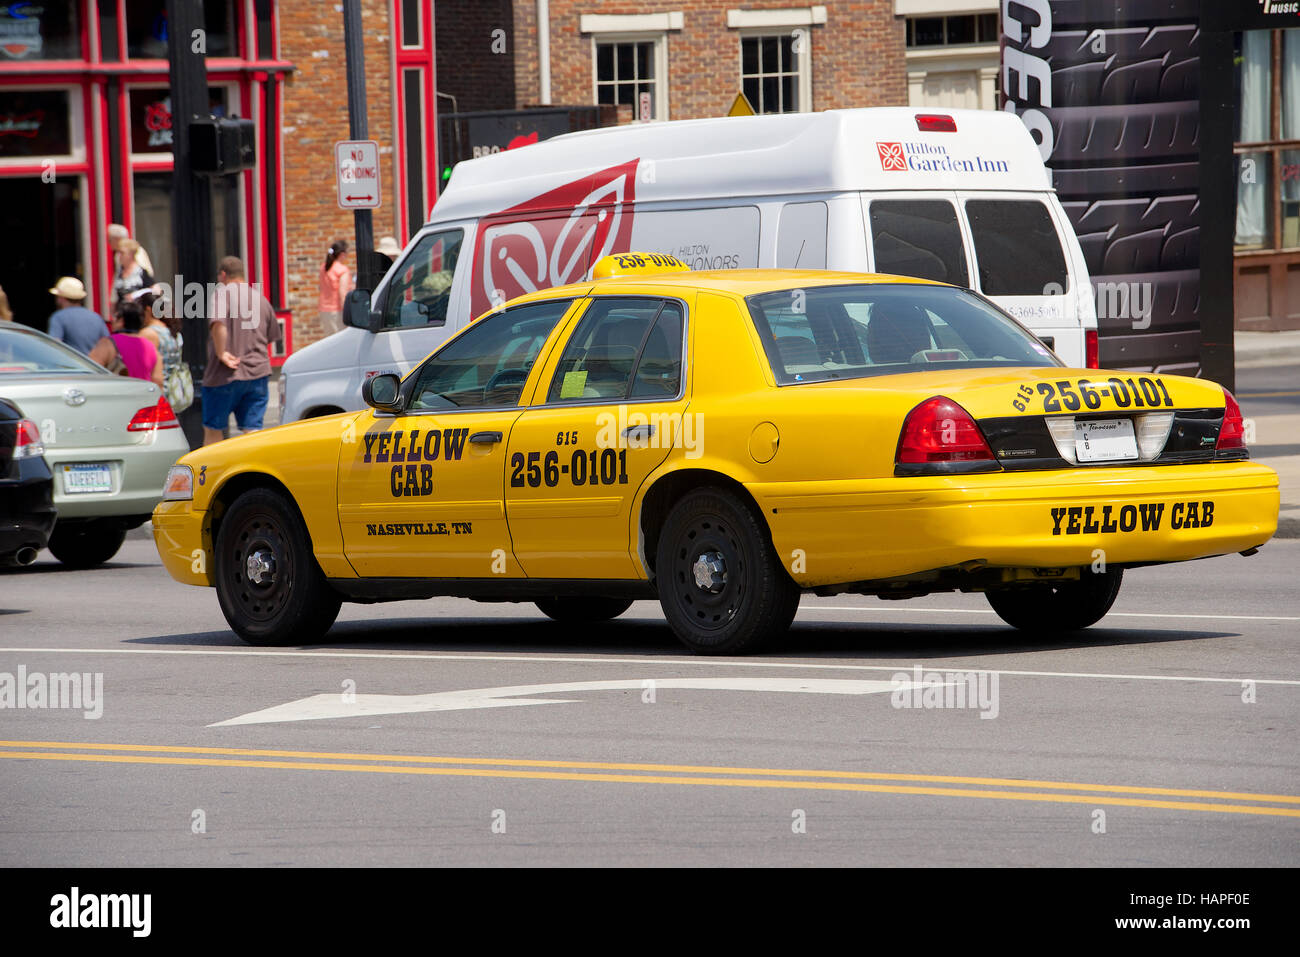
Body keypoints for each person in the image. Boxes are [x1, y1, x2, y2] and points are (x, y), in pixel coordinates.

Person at [202, 256, 282, 446]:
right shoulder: (260, 298)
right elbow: (271, 335)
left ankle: (213, 473)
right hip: (258, 373)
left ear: (223, 274)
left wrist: (221, 353)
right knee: (252, 432)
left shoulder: (222, 293)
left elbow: (218, 324)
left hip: (224, 375)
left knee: (214, 431)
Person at [136, 286, 191, 411]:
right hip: (175, 391)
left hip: (157, 394)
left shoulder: (148, 333)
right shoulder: (173, 332)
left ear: (148, 310)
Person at [46, 277, 108, 355]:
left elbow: (55, 345)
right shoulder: (96, 317)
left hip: (71, 365)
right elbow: (106, 342)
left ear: (61, 298)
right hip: (93, 366)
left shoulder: (58, 317)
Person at [109, 300, 163, 385]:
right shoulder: (151, 347)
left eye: (115, 317)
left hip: (117, 394)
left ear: (121, 321)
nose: (112, 321)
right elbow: (158, 381)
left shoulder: (109, 343)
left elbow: (92, 370)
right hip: (143, 395)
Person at [318, 238, 352, 334]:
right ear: (342, 254)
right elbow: (343, 293)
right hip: (337, 311)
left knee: (329, 340)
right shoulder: (342, 270)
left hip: (324, 309)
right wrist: (348, 314)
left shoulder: (323, 267)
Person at [112, 239, 153, 306]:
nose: (119, 256)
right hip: (122, 313)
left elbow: (156, 290)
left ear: (131, 254)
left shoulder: (141, 272)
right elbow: (114, 295)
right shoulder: (119, 272)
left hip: (137, 313)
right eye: (118, 253)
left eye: (122, 253)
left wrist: (135, 295)